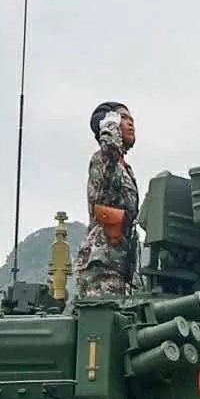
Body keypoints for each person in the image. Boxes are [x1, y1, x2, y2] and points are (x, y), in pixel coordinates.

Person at [75, 102, 142, 299]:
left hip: (121, 265)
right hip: (102, 265)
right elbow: (111, 148)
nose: (131, 123)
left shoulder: (125, 169)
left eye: (132, 119)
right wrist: (108, 124)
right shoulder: (103, 159)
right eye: (124, 118)